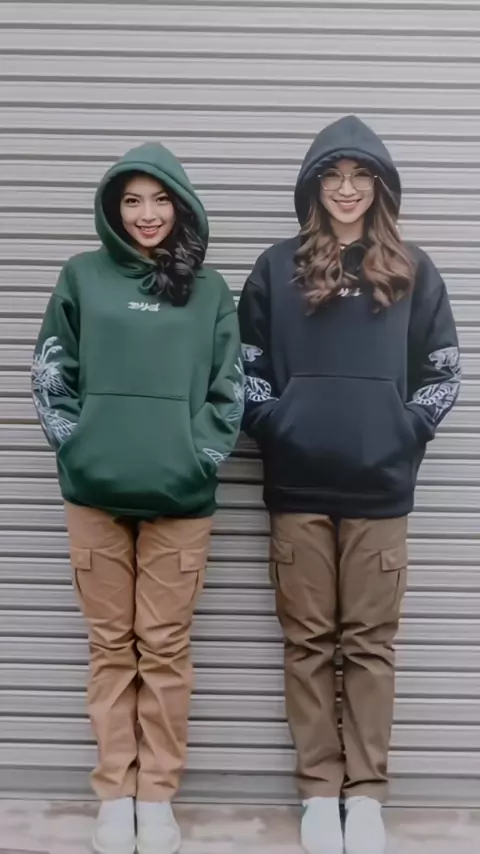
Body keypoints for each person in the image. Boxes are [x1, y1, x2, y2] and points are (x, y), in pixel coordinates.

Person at [238, 115, 460, 854]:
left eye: (361, 176)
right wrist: (278, 425)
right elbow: (245, 368)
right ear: (313, 187)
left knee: (369, 645)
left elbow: (443, 372)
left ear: (381, 188)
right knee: (306, 642)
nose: (346, 189)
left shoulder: (414, 270)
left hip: (380, 491)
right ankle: (317, 792)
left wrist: (403, 430)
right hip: (297, 487)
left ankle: (364, 795)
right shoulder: (276, 268)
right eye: (333, 176)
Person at [31, 142, 243, 854]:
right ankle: (114, 795)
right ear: (113, 209)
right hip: (94, 493)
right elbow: (50, 373)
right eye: (131, 200)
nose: (147, 214)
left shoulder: (208, 290)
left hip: (180, 500)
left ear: (180, 208)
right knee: (109, 646)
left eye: (159, 200)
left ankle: (157, 796)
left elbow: (230, 390)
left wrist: (199, 459)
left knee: (164, 646)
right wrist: (77, 446)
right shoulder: (81, 277)